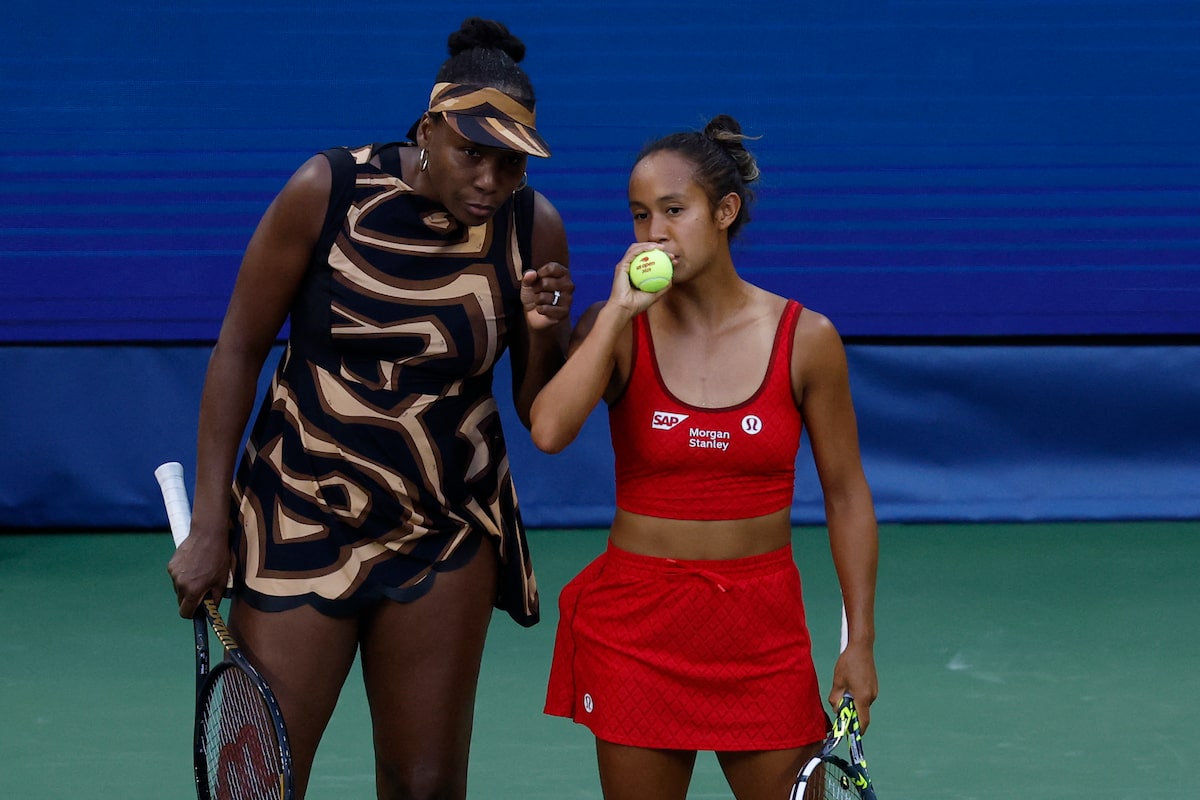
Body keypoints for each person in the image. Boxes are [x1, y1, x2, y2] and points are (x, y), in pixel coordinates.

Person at [166, 17, 573, 800]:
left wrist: (547, 331)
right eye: (472, 153)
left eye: (511, 163)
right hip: (301, 512)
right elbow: (239, 350)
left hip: (445, 529)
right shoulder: (329, 189)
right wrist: (213, 524)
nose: (491, 179)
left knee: (425, 785)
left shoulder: (532, 225)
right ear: (429, 129)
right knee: (256, 782)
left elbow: (537, 409)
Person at [530, 115, 878, 800]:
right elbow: (548, 430)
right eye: (639, 216)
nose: (653, 233)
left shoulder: (806, 339)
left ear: (724, 212)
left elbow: (846, 494)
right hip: (637, 628)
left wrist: (858, 642)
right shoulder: (618, 329)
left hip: (761, 632)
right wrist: (615, 317)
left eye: (673, 211)